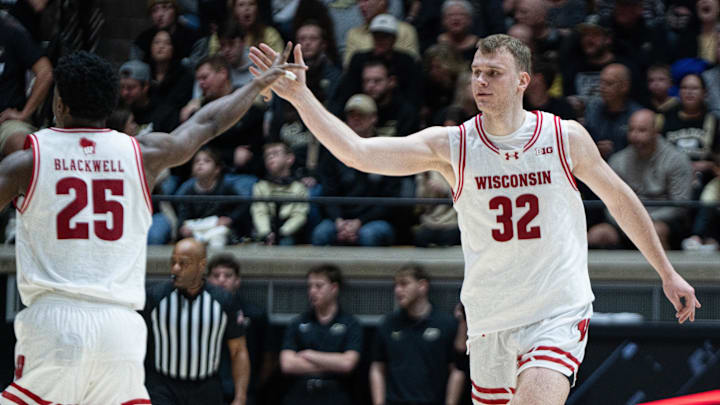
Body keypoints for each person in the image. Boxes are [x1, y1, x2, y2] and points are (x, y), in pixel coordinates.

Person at [249, 34, 700, 404]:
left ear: (522, 80)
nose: (480, 82)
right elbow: (359, 153)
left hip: (555, 309)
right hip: (489, 319)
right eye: (476, 73)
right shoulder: (454, 145)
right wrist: (301, 96)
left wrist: (666, 271)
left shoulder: (564, 137)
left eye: (493, 73)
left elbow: (621, 201)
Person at [0, 46, 299, 404]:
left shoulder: (25, 161)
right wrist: (256, 85)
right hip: (120, 328)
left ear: (59, 102)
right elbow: (207, 123)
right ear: (111, 104)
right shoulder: (143, 154)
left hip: (56, 322)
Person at [143, 238, 250, 405]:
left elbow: (238, 351)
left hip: (206, 388)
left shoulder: (224, 301)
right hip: (162, 386)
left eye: (183, 263)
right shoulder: (155, 297)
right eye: (173, 262)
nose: (175, 269)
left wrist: (240, 397)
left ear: (202, 266)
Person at [587, 109, 694, 250]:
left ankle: (664, 272)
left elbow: (680, 205)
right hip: (626, 221)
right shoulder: (618, 160)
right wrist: (628, 221)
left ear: (656, 131)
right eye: (631, 130)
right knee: (596, 235)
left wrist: (644, 220)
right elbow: (609, 203)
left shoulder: (676, 159)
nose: (635, 136)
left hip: (663, 220)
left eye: (642, 130)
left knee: (654, 233)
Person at [370, 264, 464, 405]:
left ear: (422, 286)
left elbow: (456, 371)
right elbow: (377, 368)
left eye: (404, 284)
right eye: (396, 285)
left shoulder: (446, 324)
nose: (398, 290)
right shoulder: (388, 323)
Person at [279, 264, 363, 405]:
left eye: (318, 286)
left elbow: (348, 363)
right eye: (310, 286)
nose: (312, 291)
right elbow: (287, 364)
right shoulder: (298, 323)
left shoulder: (351, 324)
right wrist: (333, 364)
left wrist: (308, 354)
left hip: (336, 395)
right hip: (300, 395)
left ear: (334, 288)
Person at [207, 253, 274, 405]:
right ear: (209, 281)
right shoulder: (198, 314)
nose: (221, 280)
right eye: (216, 275)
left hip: (245, 392)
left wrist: (252, 385)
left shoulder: (255, 314)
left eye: (227, 275)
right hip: (206, 392)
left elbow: (269, 357)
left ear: (237, 281)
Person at [0, 11, 53, 157]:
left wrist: (24, 114)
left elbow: (45, 72)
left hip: (4, 120)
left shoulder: (10, 29)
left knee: (23, 147)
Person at [251, 141, 310, 245]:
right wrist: (266, 233)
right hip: (266, 231)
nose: (270, 157)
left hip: (288, 233)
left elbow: (299, 216)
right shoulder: (260, 186)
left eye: (275, 153)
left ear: (289, 159)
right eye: (267, 155)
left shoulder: (299, 188)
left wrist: (281, 233)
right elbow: (259, 212)